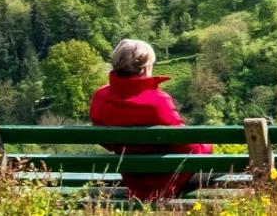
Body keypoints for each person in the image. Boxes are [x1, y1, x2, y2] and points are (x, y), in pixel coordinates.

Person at [88, 39, 213, 200]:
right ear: (146, 67)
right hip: (165, 181)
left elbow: (104, 140)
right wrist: (207, 146)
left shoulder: (100, 97)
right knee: (221, 166)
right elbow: (188, 145)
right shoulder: (158, 101)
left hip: (133, 178)